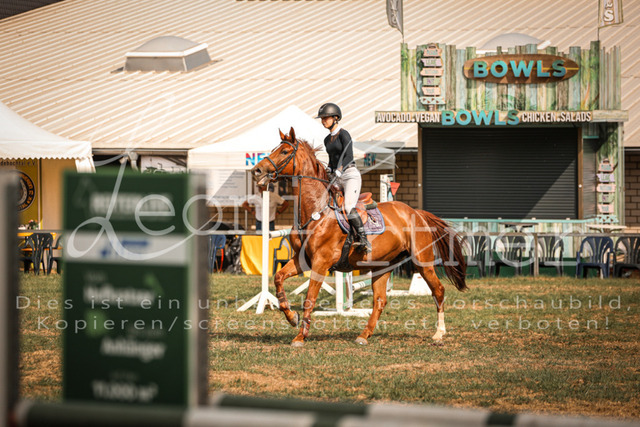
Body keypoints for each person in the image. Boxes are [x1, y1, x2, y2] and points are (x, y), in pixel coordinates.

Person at [316, 102, 371, 253]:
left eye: (326, 118)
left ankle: (363, 238)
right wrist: (329, 169)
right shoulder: (327, 140)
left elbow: (348, 156)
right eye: (322, 119)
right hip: (336, 176)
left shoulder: (344, 134)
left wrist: (340, 170)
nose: (323, 121)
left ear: (336, 118)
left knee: (348, 207)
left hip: (349, 174)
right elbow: (332, 159)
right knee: (328, 204)